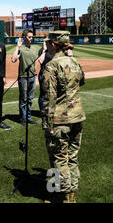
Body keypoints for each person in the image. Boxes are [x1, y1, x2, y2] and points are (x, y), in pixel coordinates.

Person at [42, 31, 86, 203]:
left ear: (54, 44)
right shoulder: (75, 61)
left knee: (59, 159)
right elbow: (81, 81)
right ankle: (72, 195)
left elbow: (50, 97)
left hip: (60, 120)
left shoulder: (52, 66)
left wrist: (47, 124)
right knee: (72, 157)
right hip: (77, 117)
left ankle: (64, 198)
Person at [11, 29, 39, 127]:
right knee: (23, 99)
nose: (31, 39)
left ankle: (28, 118)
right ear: (24, 37)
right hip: (23, 77)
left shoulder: (34, 48)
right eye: (29, 37)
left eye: (32, 37)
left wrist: (35, 72)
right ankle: (23, 118)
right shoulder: (21, 49)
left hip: (32, 77)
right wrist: (17, 47)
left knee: (30, 99)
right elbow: (13, 59)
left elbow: (35, 61)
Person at [38, 39, 54, 128]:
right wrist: (44, 50)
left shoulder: (54, 50)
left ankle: (51, 111)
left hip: (53, 76)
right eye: (46, 42)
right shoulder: (41, 50)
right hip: (43, 75)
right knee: (43, 95)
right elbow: (40, 61)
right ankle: (42, 112)